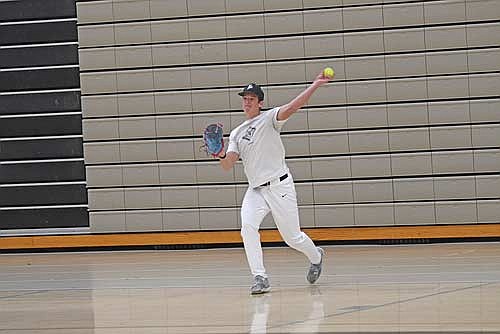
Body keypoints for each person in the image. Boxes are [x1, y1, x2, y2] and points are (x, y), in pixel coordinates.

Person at [216, 71, 331, 294]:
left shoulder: (270, 118)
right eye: (244, 99)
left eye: (251, 99)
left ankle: (316, 256)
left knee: (292, 237)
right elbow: (228, 164)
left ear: (260, 102)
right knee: (248, 227)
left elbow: (293, 106)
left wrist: (315, 85)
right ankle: (260, 277)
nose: (247, 102)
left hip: (280, 186)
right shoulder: (237, 133)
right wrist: (220, 153)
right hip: (256, 190)